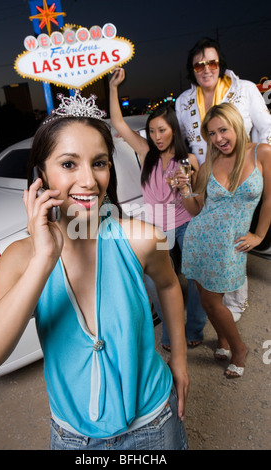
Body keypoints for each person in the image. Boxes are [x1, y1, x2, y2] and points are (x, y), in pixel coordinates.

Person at [0, 91, 189, 450]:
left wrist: (178, 359)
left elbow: (169, 286)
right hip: (73, 438)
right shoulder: (21, 258)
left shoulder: (142, 238)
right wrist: (43, 259)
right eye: (69, 164)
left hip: (154, 425)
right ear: (41, 173)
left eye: (99, 163)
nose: (88, 180)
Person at [109, 67, 206, 349]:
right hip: (157, 224)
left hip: (186, 222)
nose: (156, 136)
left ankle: (195, 329)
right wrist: (113, 88)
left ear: (173, 129)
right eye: (151, 131)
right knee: (155, 283)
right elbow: (118, 121)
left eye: (161, 130)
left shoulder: (188, 160)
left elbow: (196, 207)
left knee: (195, 277)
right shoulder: (146, 153)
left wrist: (185, 186)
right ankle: (170, 331)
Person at [176, 37, 271, 322]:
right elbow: (184, 143)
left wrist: (259, 168)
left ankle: (236, 303)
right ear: (192, 70)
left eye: (212, 62)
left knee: (237, 241)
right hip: (207, 182)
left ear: (221, 64)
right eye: (199, 64)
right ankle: (217, 306)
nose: (206, 69)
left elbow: (265, 129)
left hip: (243, 174)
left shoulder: (244, 90)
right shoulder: (183, 101)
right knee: (215, 246)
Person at [180, 102, 271, 378]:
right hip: (200, 239)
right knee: (207, 299)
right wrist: (185, 188)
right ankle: (222, 340)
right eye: (212, 134)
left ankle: (239, 347)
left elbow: (269, 200)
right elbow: (196, 210)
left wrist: (259, 235)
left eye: (223, 130)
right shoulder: (210, 163)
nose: (219, 138)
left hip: (231, 244)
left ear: (237, 125)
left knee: (212, 302)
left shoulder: (262, 153)